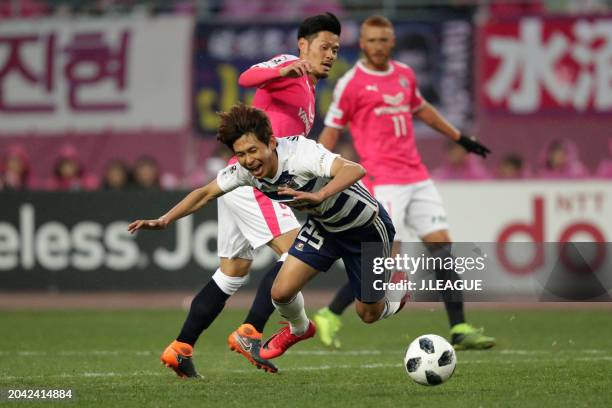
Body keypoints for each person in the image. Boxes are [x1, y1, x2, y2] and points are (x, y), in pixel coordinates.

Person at [129, 105, 403, 361]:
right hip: (324, 229)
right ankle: (299, 329)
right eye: (241, 154)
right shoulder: (246, 172)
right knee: (280, 292)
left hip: (365, 228)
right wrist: (165, 220)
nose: (249, 160)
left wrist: (319, 195)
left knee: (368, 313)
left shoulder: (300, 154)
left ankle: (400, 291)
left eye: (253, 150)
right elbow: (205, 193)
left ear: (271, 142)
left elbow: (354, 169)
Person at [157, 12, 341, 378]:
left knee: (232, 271)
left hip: (243, 182)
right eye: (324, 46)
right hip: (256, 183)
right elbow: (247, 77)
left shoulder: (310, 87)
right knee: (298, 255)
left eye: (335, 48)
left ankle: (180, 348)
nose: (331, 54)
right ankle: (253, 331)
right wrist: (281, 71)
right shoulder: (290, 66)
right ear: (303, 45)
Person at [314, 15, 495, 351]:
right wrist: (311, 166)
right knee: (381, 262)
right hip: (383, 182)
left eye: (384, 40)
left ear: (392, 41)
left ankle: (459, 327)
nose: (379, 46)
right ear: (363, 44)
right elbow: (332, 130)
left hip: (417, 176)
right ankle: (330, 313)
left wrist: (460, 138)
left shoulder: (405, 75)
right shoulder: (351, 83)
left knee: (442, 247)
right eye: (372, 41)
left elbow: (423, 109)